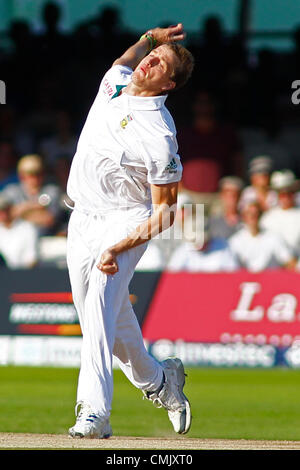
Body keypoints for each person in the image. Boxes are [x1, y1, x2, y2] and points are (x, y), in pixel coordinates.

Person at [66, 24, 194, 439]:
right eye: (151, 55)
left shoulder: (160, 132)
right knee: (105, 319)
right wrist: (151, 37)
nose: (150, 61)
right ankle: (159, 380)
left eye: (160, 63)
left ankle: (95, 412)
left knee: (101, 311)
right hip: (82, 216)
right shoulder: (116, 80)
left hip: (125, 219)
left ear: (169, 83)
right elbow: (124, 59)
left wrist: (119, 245)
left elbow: (164, 214)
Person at [1, 154, 63, 236]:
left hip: (47, 239)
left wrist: (19, 212)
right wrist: (36, 206)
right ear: (21, 176)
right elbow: (5, 217)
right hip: (17, 240)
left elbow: (49, 219)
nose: (36, 177)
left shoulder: (52, 190)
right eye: (31, 174)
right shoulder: (11, 191)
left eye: (39, 173)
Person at [229, 201, 296, 272]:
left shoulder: (273, 237)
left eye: (256, 214)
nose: (253, 217)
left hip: (270, 280)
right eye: (249, 214)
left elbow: (289, 261)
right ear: (243, 217)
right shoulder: (235, 241)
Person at [260, 170, 300, 258]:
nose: (285, 197)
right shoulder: (268, 217)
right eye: (282, 194)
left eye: (289, 193)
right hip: (274, 268)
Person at [0, 196, 38, 269]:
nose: (2, 214)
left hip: (23, 275)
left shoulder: (27, 228)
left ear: (10, 209)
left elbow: (32, 259)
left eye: (4, 210)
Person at [209, 176, 244, 240]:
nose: (232, 199)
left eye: (235, 195)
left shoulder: (247, 221)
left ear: (240, 197)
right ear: (221, 196)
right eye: (228, 195)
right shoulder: (212, 222)